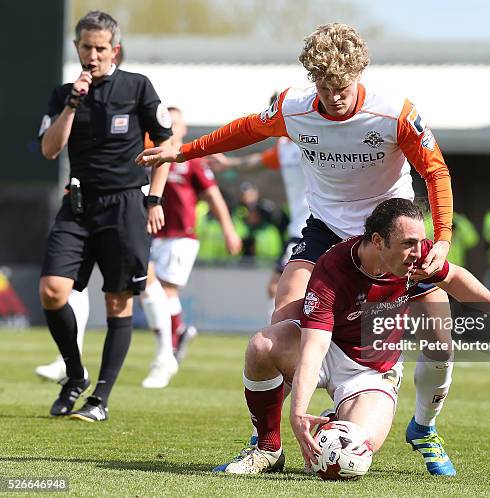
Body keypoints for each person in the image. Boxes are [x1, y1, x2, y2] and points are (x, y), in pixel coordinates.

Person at [137, 22, 453, 450]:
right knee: (279, 325)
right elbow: (246, 128)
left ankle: (424, 427)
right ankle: (266, 441)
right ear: (312, 77)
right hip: (326, 228)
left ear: (359, 74)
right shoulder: (294, 107)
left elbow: (435, 170)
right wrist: (186, 150)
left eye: (342, 85)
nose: (334, 95)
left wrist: (444, 238)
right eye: (324, 85)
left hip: (389, 231)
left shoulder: (394, 112)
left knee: (439, 333)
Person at [213, 198, 490, 475]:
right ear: (378, 241)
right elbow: (315, 347)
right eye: (407, 243)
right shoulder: (334, 268)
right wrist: (297, 412)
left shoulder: (416, 257)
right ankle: (267, 448)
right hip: (328, 352)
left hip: (371, 374)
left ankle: (350, 419)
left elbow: (454, 276)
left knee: (355, 453)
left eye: (421, 242)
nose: (418, 252)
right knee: (262, 345)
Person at [38, 11, 172, 421]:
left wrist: (154, 199)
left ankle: (100, 399)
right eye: (85, 48)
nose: (92, 55)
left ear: (113, 49)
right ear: (76, 48)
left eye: (100, 48)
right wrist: (73, 105)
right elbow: (49, 150)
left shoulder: (137, 87)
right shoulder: (64, 95)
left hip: (126, 205)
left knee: (118, 302)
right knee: (52, 290)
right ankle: (74, 375)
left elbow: (166, 145)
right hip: (78, 204)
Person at [141, 106, 242, 388]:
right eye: (167, 123)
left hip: (182, 236)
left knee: (164, 289)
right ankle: (179, 334)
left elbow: (213, 196)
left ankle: (169, 348)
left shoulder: (192, 161)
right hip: (156, 233)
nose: (172, 129)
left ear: (184, 129)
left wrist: (229, 230)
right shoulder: (153, 155)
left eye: (176, 124)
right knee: (153, 289)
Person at [207, 96, 309, 299]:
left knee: (280, 289)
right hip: (301, 228)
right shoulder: (284, 146)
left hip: (318, 227)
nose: (271, 119)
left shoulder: (313, 136)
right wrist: (229, 164)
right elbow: (259, 161)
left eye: (276, 112)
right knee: (281, 290)